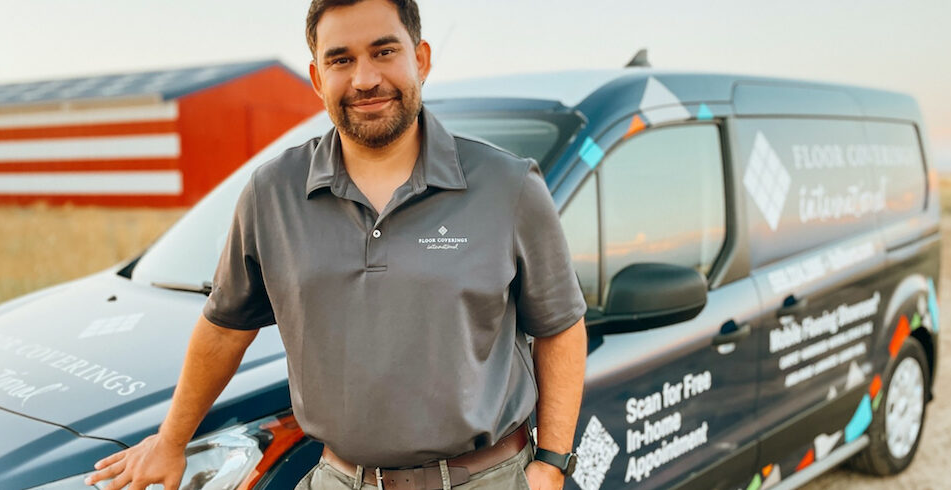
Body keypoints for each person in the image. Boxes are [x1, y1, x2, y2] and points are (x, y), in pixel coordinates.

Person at [85, 0, 588, 488]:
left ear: (422, 58)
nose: (365, 79)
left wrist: (551, 463)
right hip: (339, 480)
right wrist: (171, 441)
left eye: (384, 51)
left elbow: (560, 326)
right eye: (341, 59)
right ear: (317, 77)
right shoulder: (272, 193)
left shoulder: (507, 185)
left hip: (488, 479)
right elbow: (223, 328)